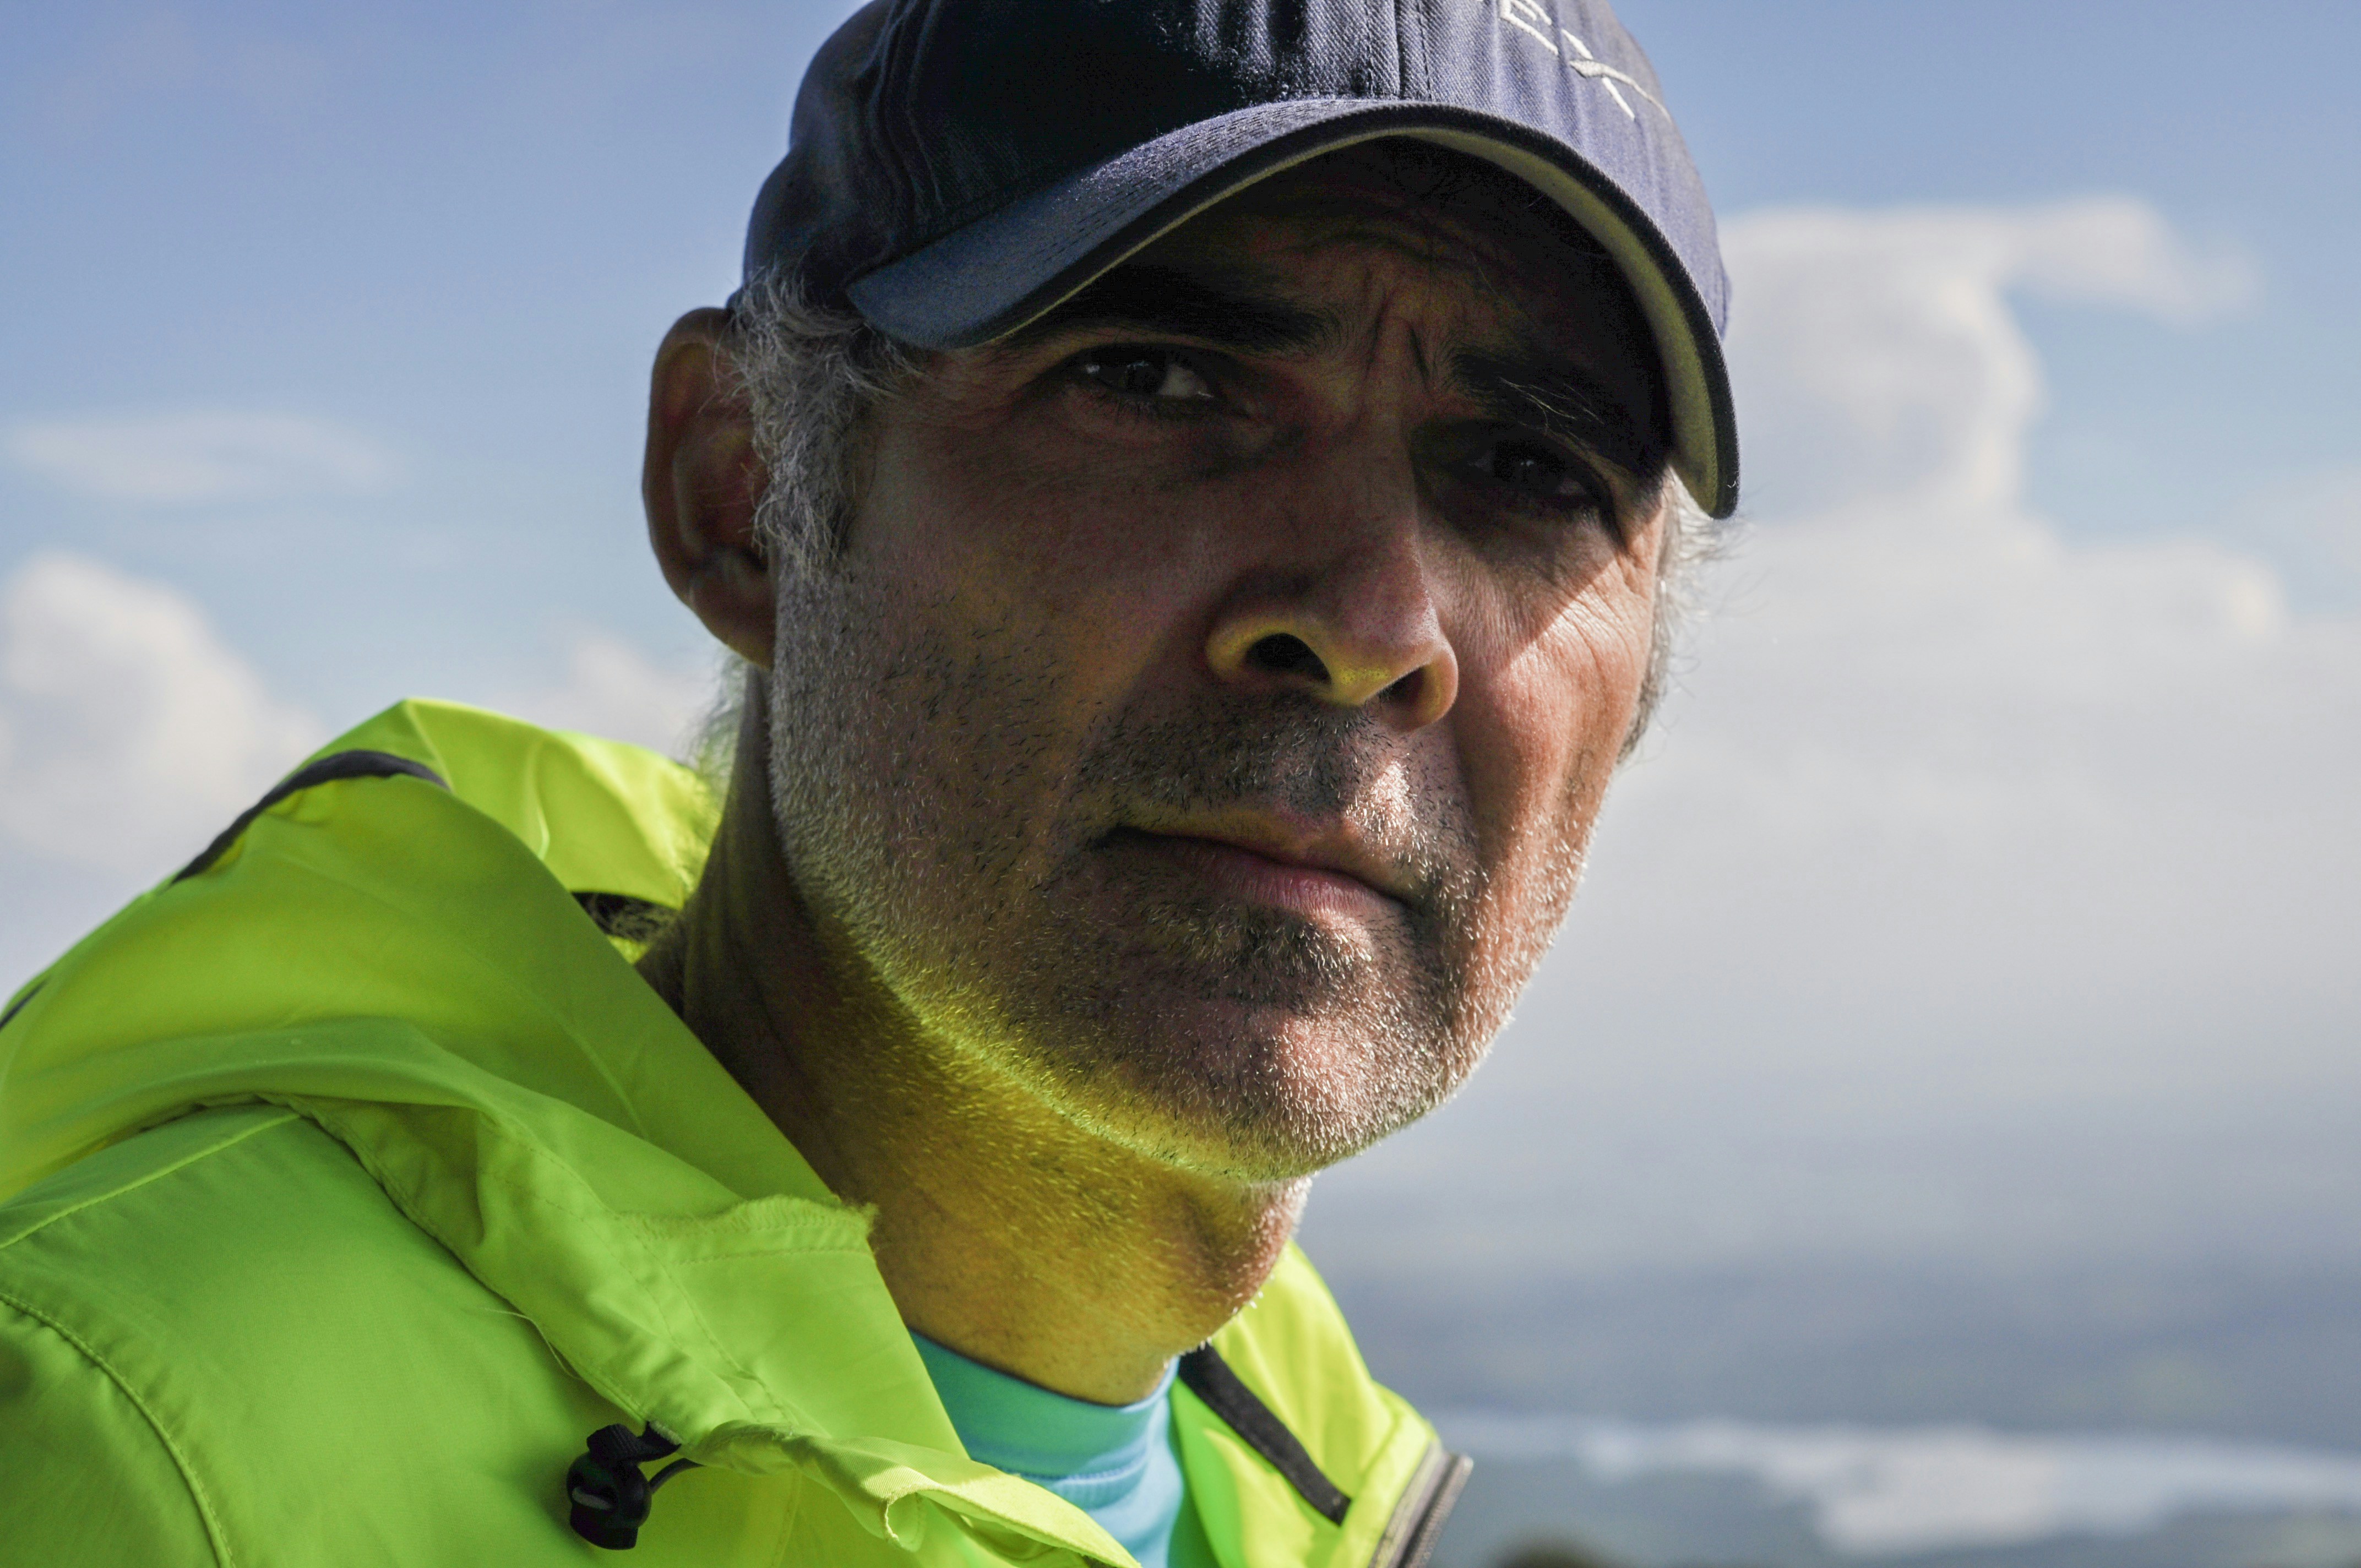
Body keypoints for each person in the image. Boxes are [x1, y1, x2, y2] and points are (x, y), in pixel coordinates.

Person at [0, 0, 1736, 1562]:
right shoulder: (136, 1457)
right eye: (1155, 380)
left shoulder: (1299, 1479)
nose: (1369, 623)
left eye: (1530, 468)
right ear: (743, 496)